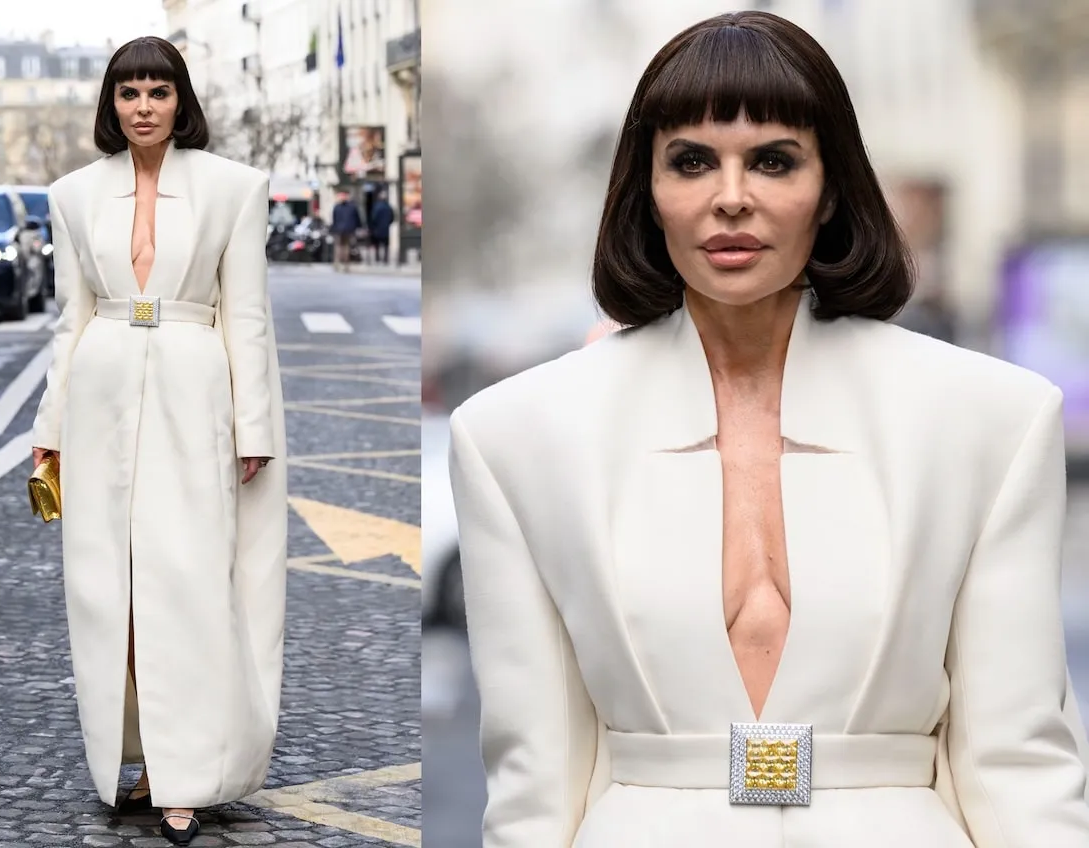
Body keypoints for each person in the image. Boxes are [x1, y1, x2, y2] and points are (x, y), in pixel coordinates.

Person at [447, 12, 1089, 847]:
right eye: (691, 161)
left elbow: (1021, 768)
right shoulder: (514, 437)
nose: (731, 196)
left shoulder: (991, 419)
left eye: (774, 160)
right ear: (646, 191)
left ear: (831, 191)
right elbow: (532, 788)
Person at [30, 36, 287, 847]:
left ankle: (186, 773)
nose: (144, 106)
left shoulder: (235, 190)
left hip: (194, 388)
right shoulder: (71, 195)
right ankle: (132, 757)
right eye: (129, 92)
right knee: (111, 591)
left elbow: (246, 315)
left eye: (158, 91)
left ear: (182, 102)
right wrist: (49, 433)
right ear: (110, 104)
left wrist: (254, 428)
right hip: (101, 388)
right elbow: (69, 322)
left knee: (188, 582)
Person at [330, 190, 362, 272]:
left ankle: (339, 264)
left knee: (340, 247)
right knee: (344, 247)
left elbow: (334, 219)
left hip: (340, 229)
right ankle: (344, 265)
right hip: (348, 229)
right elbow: (357, 219)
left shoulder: (337, 207)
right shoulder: (352, 207)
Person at [369, 191, 395, 264]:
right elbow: (392, 217)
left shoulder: (376, 207)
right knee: (386, 245)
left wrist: (372, 226)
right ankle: (385, 259)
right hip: (386, 228)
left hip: (377, 228)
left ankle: (377, 258)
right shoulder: (389, 207)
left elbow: (373, 218)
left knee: (377, 244)